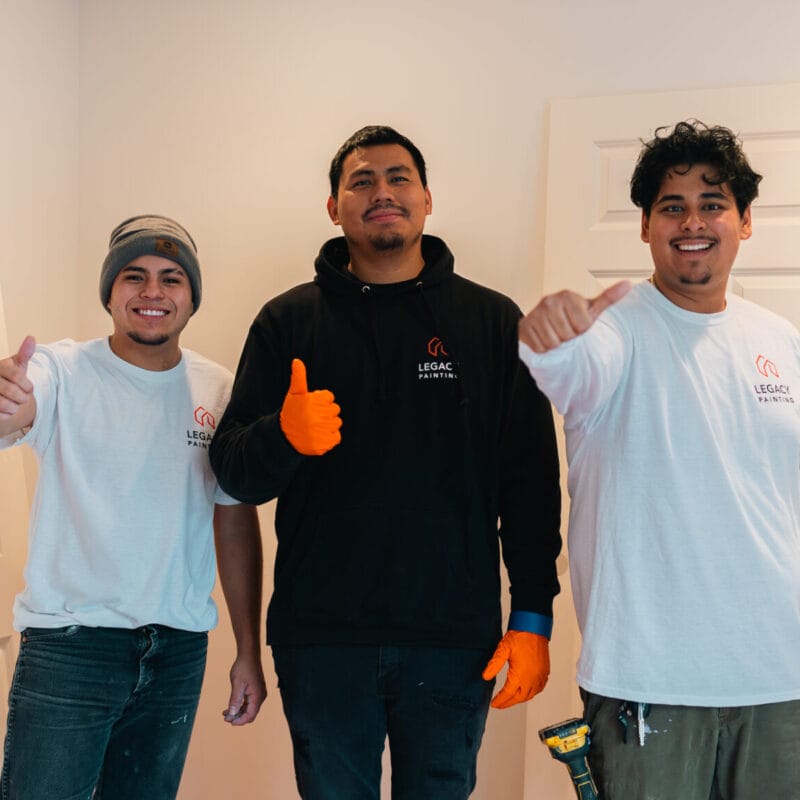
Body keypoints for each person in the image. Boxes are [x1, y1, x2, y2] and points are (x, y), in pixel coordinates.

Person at [209, 125, 561, 799]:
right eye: (361, 181)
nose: (382, 193)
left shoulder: (490, 323)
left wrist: (534, 616)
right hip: (322, 638)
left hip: (454, 638)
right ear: (334, 207)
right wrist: (282, 436)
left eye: (399, 178)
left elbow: (529, 486)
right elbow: (232, 475)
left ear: (426, 198)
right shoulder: (287, 323)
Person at [519, 121, 800, 798]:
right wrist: (549, 338)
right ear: (646, 226)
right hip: (648, 684)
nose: (692, 221)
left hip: (782, 679)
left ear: (745, 222)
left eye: (713, 204)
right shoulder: (612, 331)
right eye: (672, 206)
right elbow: (568, 367)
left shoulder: (780, 340)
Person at [0, 215, 267, 800]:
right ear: (110, 292)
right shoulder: (60, 369)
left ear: (192, 296)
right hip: (70, 649)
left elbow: (233, 519)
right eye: (134, 276)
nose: (152, 293)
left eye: (172, 278)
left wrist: (249, 650)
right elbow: (17, 410)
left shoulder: (219, 390)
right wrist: (6, 403)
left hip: (176, 652)